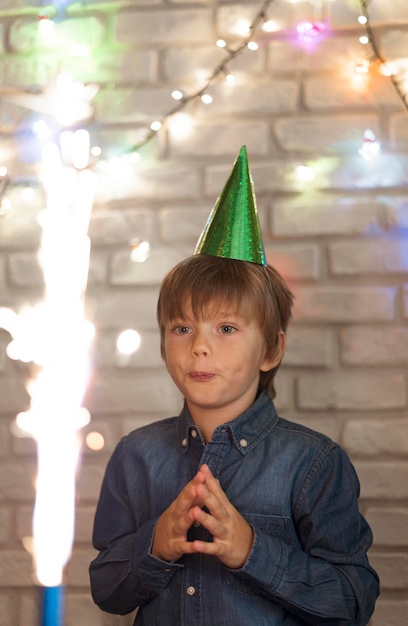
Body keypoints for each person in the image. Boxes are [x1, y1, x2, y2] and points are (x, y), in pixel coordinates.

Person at [89, 147, 379, 625]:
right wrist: (156, 543)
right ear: (164, 347)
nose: (199, 348)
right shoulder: (135, 456)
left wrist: (252, 550)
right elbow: (107, 589)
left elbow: (352, 602)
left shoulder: (313, 464)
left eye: (226, 329)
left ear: (271, 350)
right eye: (183, 328)